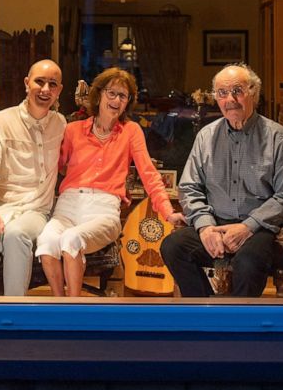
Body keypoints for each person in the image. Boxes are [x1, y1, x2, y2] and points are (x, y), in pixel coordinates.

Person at [36, 67, 185, 296]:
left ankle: (73, 308)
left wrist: (168, 212)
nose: (116, 100)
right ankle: (60, 303)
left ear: (128, 102)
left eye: (122, 96)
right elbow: (52, 167)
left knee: (71, 239)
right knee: (46, 242)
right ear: (99, 95)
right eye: (111, 93)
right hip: (67, 206)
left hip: (104, 210)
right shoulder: (73, 130)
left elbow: (149, 174)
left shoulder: (131, 131)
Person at [161, 63, 283, 297]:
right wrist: (205, 227)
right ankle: (206, 311)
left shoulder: (279, 137)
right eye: (222, 93)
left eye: (237, 90)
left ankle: (240, 326)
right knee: (173, 247)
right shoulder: (206, 136)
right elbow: (189, 187)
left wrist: (247, 227)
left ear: (254, 93)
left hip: (258, 230)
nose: (230, 99)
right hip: (214, 224)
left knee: (247, 263)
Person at [0, 59, 66, 296]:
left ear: (59, 90)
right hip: (1, 206)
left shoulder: (60, 124)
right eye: (39, 82)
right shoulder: (1, 122)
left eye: (52, 84)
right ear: (27, 83)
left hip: (36, 210)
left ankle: (14, 312)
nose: (45, 89)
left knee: (16, 234)